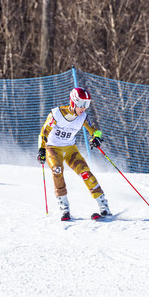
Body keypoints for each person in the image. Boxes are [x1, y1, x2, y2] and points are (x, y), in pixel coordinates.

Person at [37, 87, 111, 221]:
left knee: (85, 172)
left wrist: (97, 137)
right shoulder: (57, 114)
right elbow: (44, 132)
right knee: (57, 170)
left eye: (87, 104)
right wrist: (41, 149)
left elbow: (95, 130)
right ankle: (64, 209)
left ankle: (104, 207)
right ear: (73, 102)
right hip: (53, 148)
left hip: (70, 149)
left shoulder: (83, 117)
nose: (84, 108)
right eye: (82, 104)